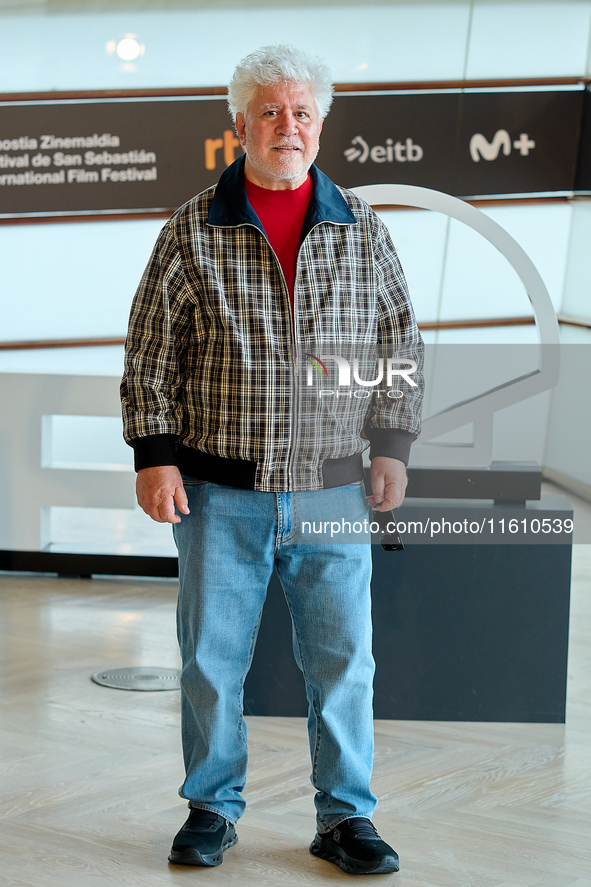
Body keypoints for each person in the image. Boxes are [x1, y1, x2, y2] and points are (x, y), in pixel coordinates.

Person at [121, 44, 423, 875]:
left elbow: (399, 343)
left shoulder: (362, 229)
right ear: (238, 124)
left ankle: (344, 817)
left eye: (300, 112)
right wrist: (155, 454)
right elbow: (151, 353)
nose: (285, 126)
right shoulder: (192, 227)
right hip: (218, 492)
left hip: (333, 491)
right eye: (268, 111)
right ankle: (211, 809)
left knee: (342, 665)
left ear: (319, 124)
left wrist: (392, 445)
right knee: (212, 663)